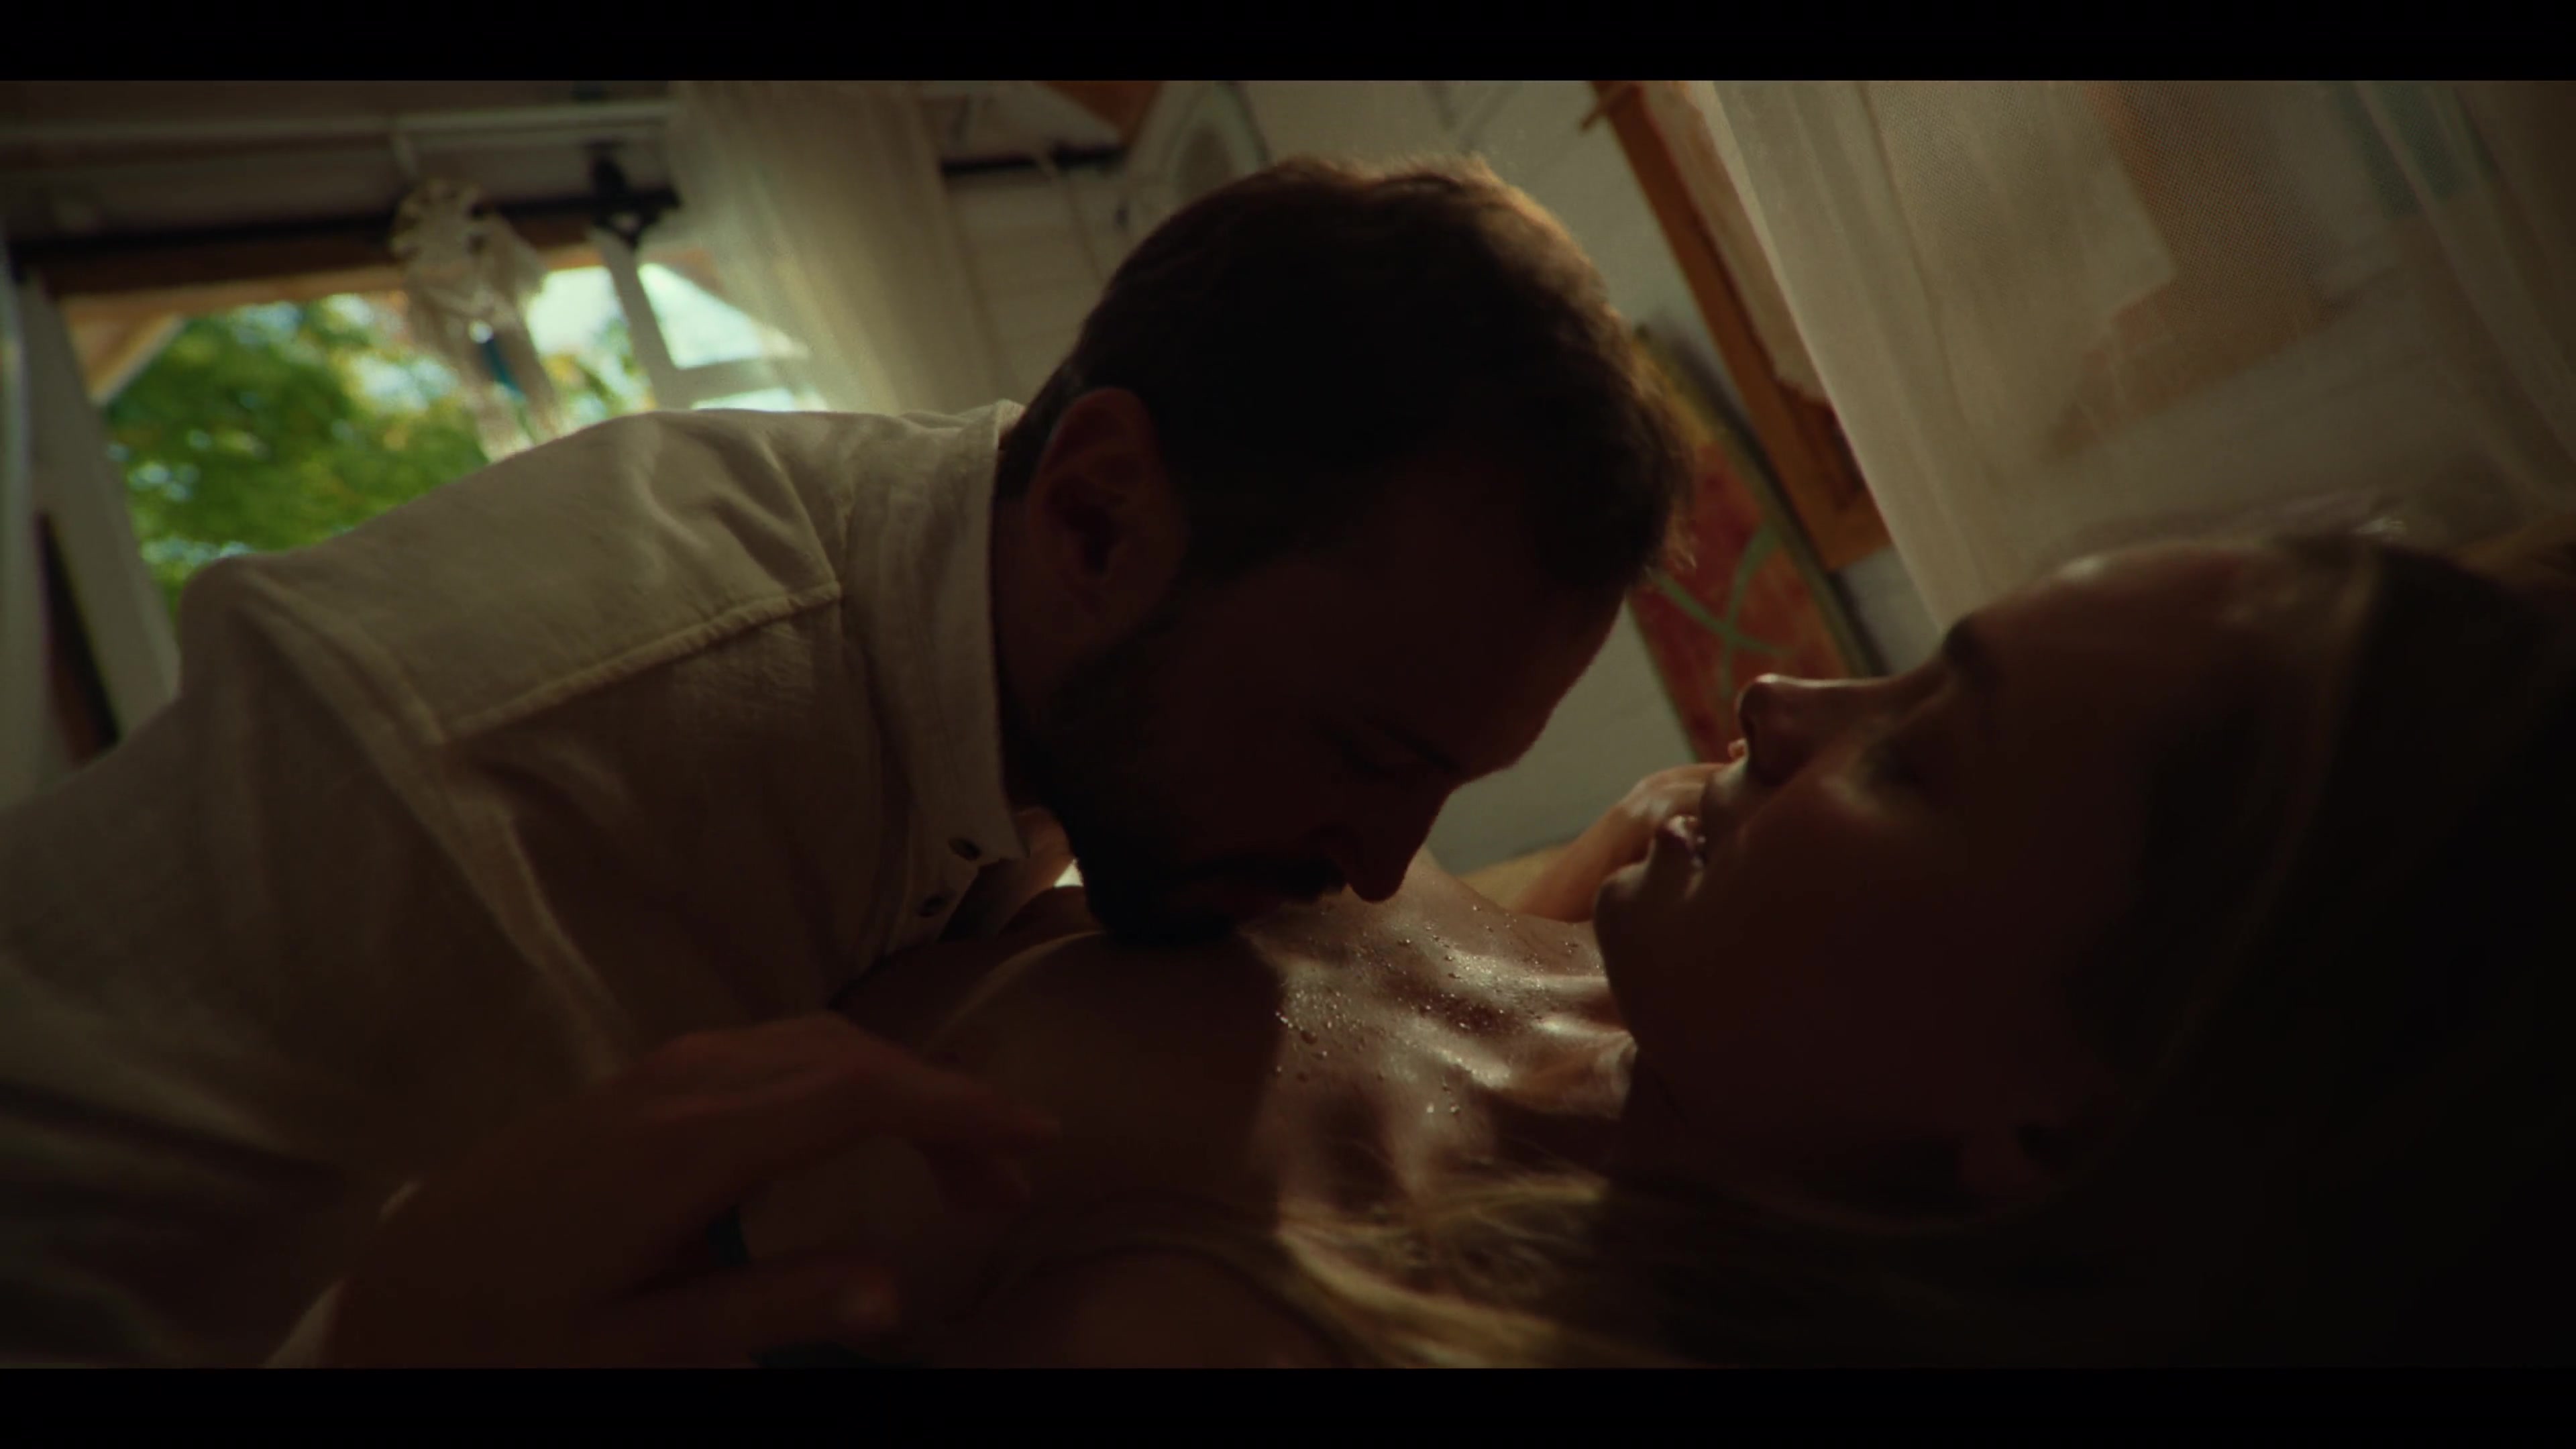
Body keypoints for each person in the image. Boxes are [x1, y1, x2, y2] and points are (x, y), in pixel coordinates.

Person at [0, 157, 1694, 1364]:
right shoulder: (579, 789)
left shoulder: (1021, 628)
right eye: (1358, 750)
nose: (1381, 865)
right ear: (1099, 516)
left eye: (1444, 781)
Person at [321, 529, 2576, 1367]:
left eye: (1918, 758)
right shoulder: (1644, 963)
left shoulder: (1278, 1327)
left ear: (2058, 1128)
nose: (1785, 701)